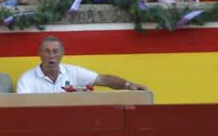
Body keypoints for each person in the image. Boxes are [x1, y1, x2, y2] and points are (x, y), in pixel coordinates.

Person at [16, 35, 148, 93]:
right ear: (39, 54)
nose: (51, 55)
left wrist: (128, 85)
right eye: (47, 51)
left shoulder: (72, 72)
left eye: (55, 51)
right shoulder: (26, 79)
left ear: (62, 54)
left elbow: (103, 79)